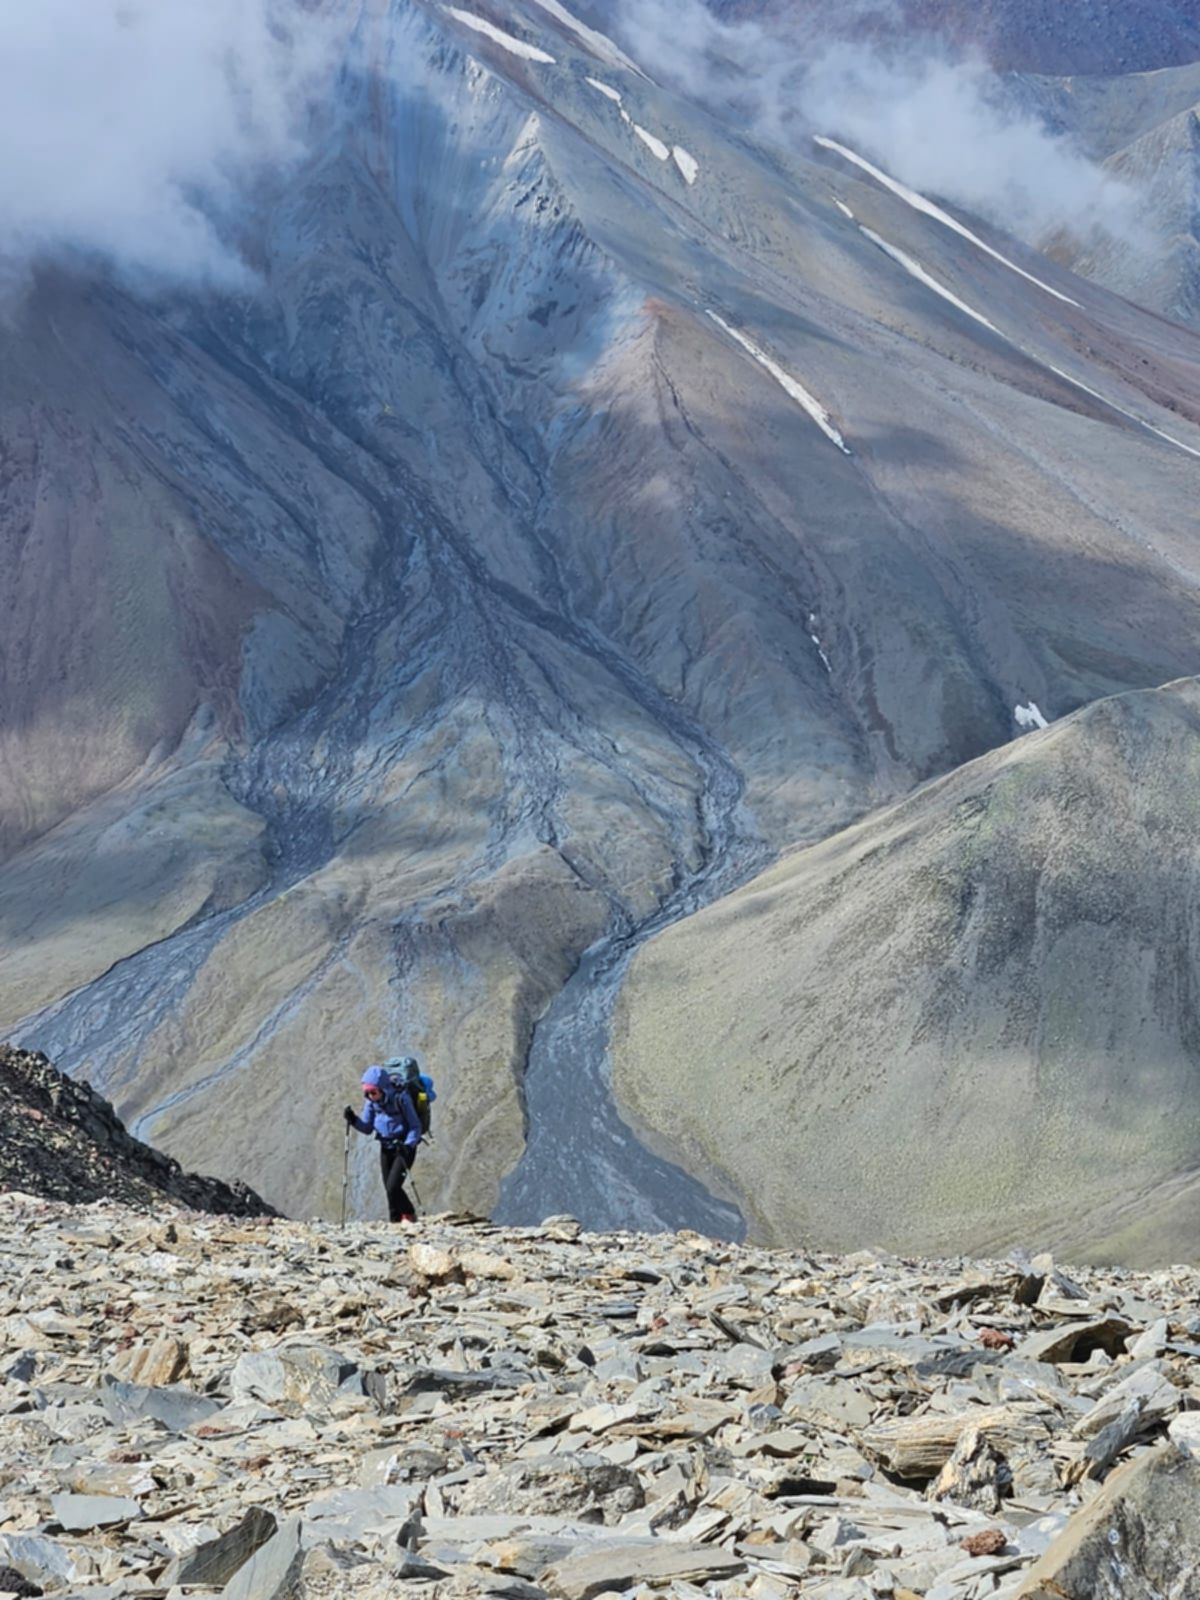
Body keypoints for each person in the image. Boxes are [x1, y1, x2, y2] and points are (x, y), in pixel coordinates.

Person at [344, 1064, 422, 1223]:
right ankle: (394, 1223)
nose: (371, 1096)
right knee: (389, 1189)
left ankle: (410, 1215)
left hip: (403, 1148)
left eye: (373, 1092)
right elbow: (367, 1128)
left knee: (393, 1187)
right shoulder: (372, 1103)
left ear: (383, 1088)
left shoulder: (401, 1098)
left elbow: (415, 1126)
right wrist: (353, 1120)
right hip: (385, 1148)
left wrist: (408, 1145)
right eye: (367, 1093)